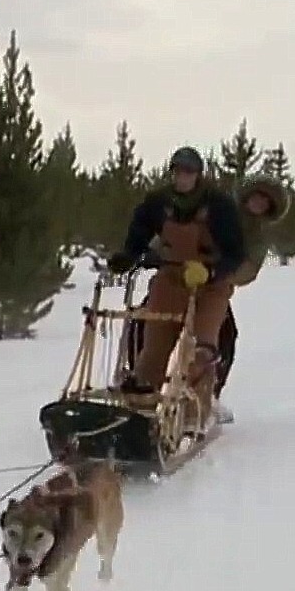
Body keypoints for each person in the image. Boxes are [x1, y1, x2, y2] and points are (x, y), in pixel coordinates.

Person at [117, 173, 290, 423]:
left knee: (218, 339)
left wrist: (217, 274)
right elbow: (174, 235)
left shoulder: (256, 236)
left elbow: (247, 268)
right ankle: (141, 385)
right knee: (148, 327)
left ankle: (206, 399)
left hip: (212, 287)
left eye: (264, 202)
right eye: (256, 197)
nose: (258, 204)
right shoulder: (218, 211)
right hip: (176, 281)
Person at [107, 147, 246, 427]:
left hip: (211, 286)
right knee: (154, 348)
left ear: (198, 175)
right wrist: (128, 257)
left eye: (188, 173)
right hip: (170, 280)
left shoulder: (219, 206)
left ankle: (193, 417)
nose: (182, 178)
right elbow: (138, 237)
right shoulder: (157, 203)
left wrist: (211, 271)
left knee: (201, 350)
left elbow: (236, 253)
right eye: (178, 172)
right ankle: (139, 413)